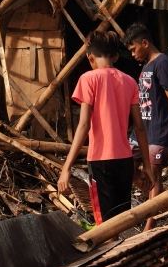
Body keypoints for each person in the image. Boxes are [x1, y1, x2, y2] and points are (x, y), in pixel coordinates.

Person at [58, 31, 153, 225]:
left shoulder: (88, 79)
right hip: (125, 161)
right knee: (121, 221)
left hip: (101, 162)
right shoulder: (129, 81)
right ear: (115, 56)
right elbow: (140, 128)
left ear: (90, 57)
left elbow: (84, 125)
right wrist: (148, 166)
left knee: (104, 224)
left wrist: (66, 167)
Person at [124, 23, 168, 230]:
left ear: (145, 43)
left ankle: (149, 225)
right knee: (126, 166)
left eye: (133, 49)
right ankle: (156, 200)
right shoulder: (146, 67)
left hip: (159, 130)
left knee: (155, 175)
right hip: (142, 131)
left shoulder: (163, 63)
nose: (132, 54)